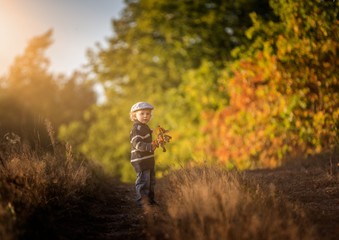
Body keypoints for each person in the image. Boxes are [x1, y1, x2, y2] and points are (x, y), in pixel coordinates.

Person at [129, 101, 158, 207]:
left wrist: (156, 141)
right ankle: (142, 201)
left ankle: (150, 200)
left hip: (148, 159)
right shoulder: (136, 128)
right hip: (140, 160)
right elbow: (137, 144)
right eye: (142, 113)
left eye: (148, 113)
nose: (145, 116)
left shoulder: (145, 127)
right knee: (143, 181)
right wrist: (150, 146)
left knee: (151, 181)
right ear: (134, 115)